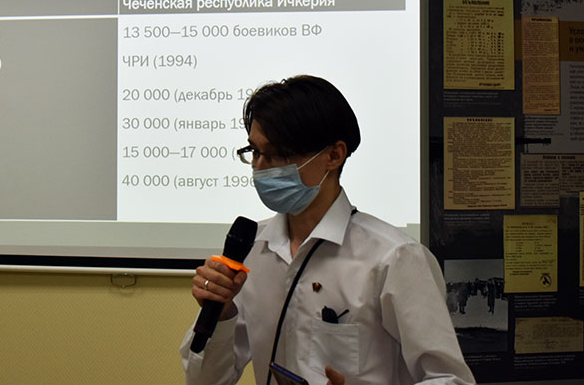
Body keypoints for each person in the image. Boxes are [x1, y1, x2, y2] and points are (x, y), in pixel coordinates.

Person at [180, 75, 475, 385]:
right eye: (255, 151)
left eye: (280, 154)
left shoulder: (394, 257)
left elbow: (450, 379)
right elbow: (205, 381)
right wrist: (222, 313)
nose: (261, 167)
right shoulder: (253, 250)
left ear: (334, 155)